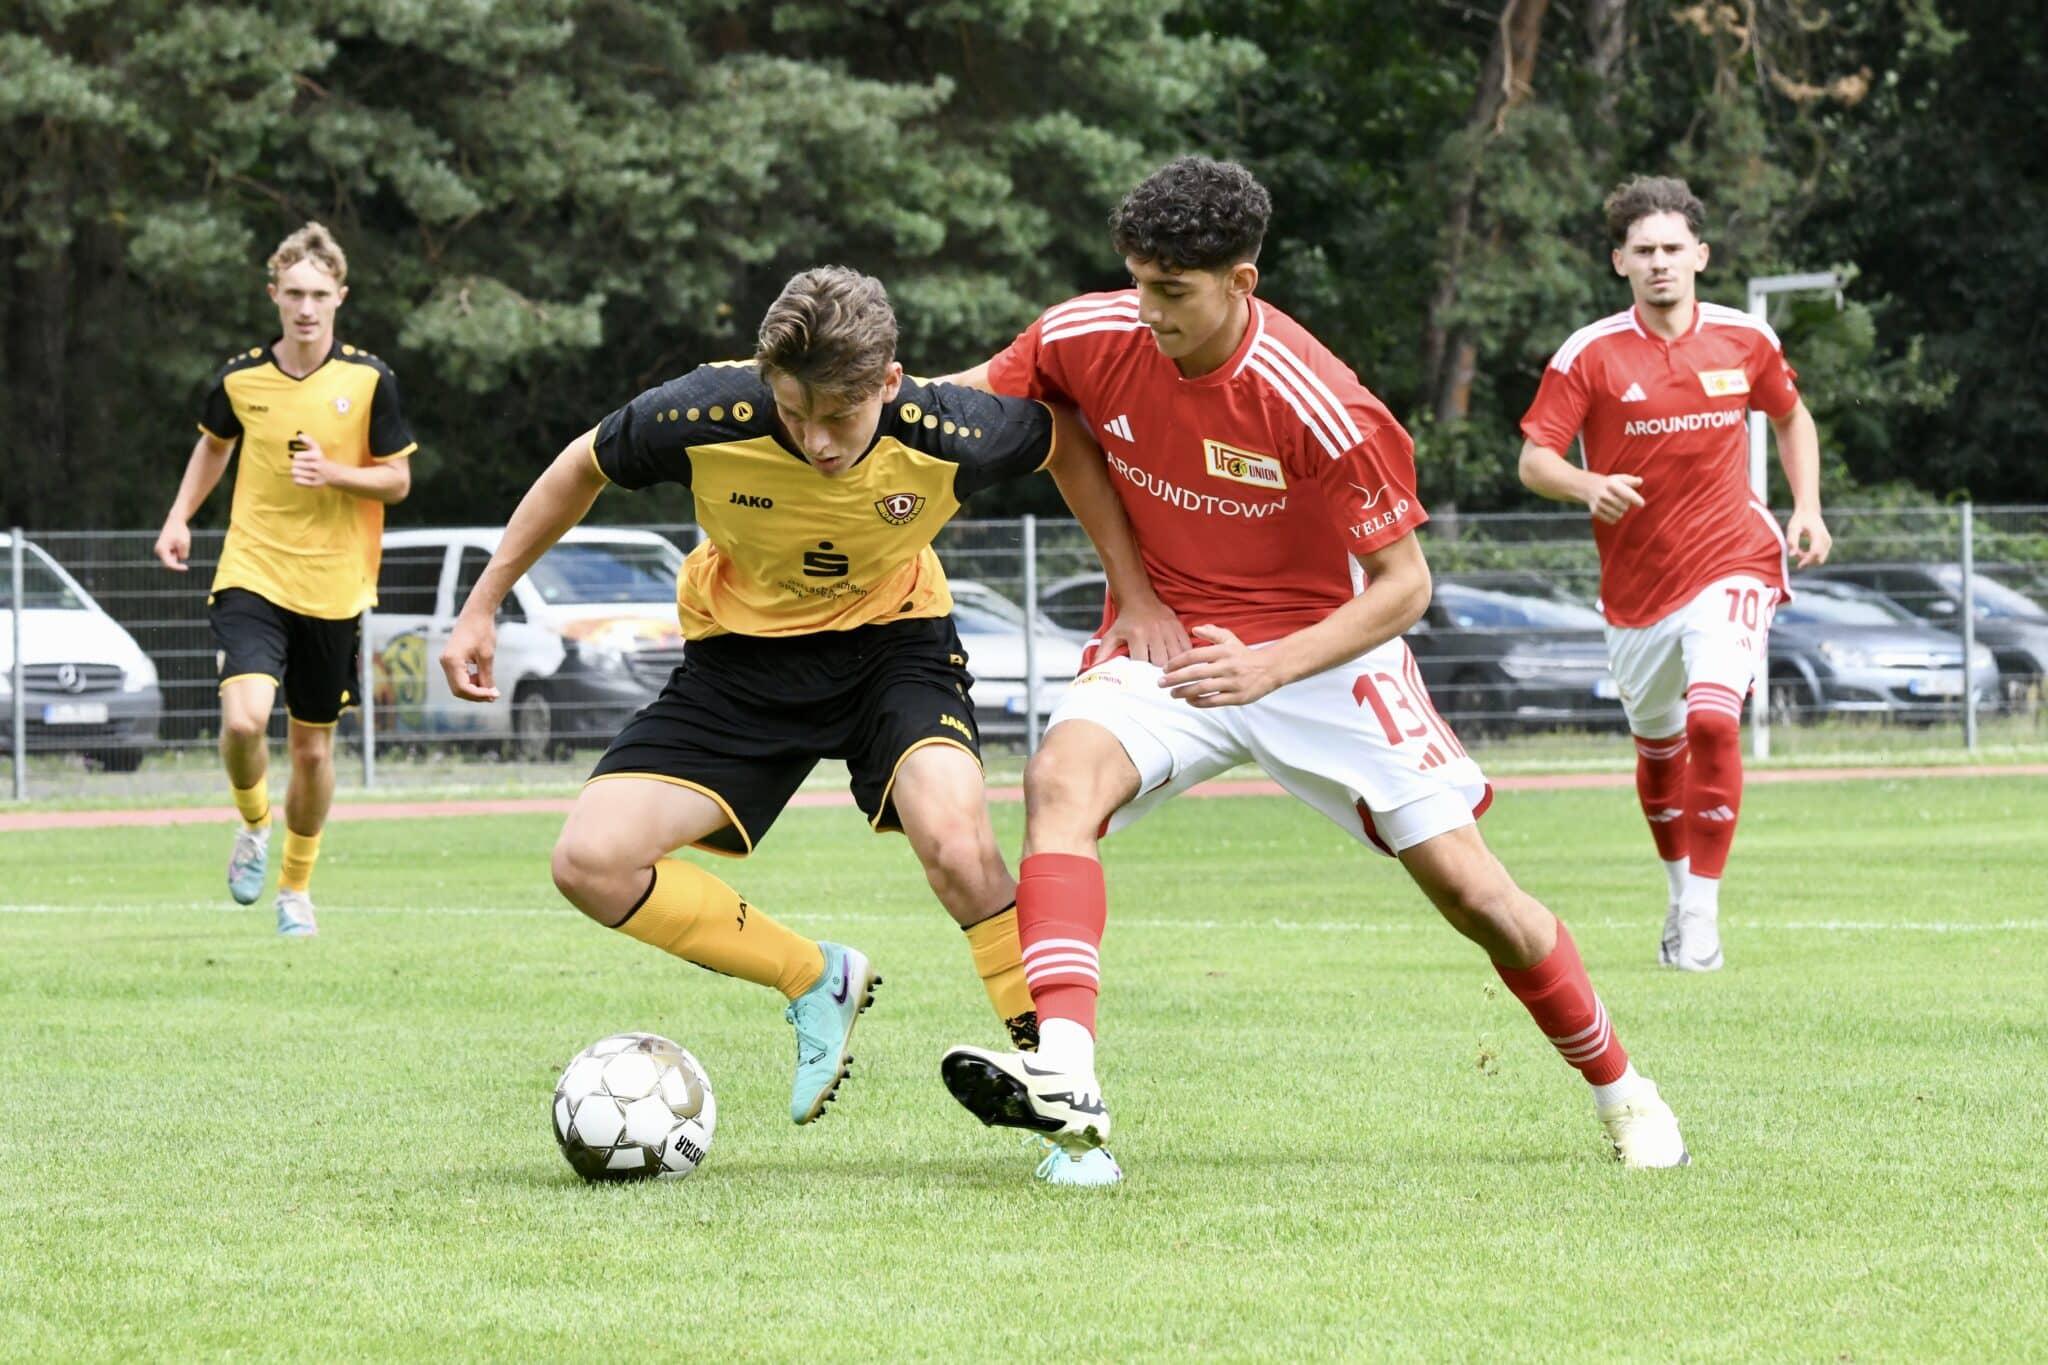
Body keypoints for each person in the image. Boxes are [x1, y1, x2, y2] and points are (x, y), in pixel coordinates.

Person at [936, 155, 1690, 1174]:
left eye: (1172, 291)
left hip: (1322, 653)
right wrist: (822, 402)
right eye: (1136, 279)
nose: (1146, 310)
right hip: (1168, 643)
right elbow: (968, 404)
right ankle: (1068, 1078)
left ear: (1239, 283)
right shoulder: (1088, 331)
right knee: (1057, 780)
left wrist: (1271, 667)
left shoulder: (1322, 403)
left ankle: (1622, 1093)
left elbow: (1402, 588)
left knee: (1476, 898)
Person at [437, 266, 1176, 1185]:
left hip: (895, 648)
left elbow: (1065, 442)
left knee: (957, 839)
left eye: (840, 416)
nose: (817, 440)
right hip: (739, 664)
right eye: (794, 413)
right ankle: (811, 976)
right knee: (588, 862)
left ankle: (1068, 1107)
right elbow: (581, 464)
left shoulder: (951, 427)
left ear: (890, 385)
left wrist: (1138, 594)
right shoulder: (705, 412)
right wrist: (482, 604)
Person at [1518, 175, 1830, 972]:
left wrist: (1807, 507)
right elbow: (1535, 459)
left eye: (1673, 249)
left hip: (1735, 557)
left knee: (1716, 721)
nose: (1660, 263)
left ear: (1701, 255)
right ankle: (1675, 890)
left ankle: (1701, 917)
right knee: (1659, 753)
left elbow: (1791, 415)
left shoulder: (1744, 339)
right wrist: (1588, 486)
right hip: (1635, 595)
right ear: (1619, 261)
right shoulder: (1588, 354)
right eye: (1643, 251)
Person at [153, 222, 417, 936]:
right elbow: (214, 446)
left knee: (310, 747)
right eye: (293, 293)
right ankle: (253, 823)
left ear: (340, 298)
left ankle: (294, 889)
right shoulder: (241, 376)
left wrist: (333, 473)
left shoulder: (368, 379)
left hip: (335, 586)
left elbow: (396, 480)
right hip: (253, 568)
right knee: (242, 719)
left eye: (319, 295)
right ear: (274, 295)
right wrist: (179, 517)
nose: (305, 307)